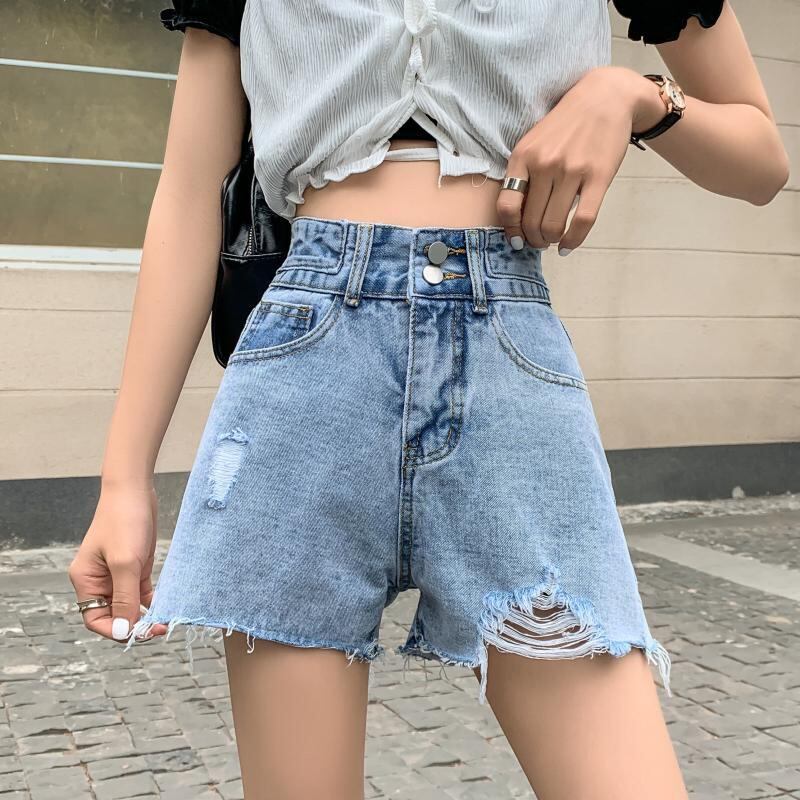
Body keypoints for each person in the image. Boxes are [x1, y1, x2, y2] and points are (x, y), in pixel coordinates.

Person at [68, 1, 790, 797]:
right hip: (307, 375)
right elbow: (190, 191)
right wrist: (124, 480)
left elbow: (761, 160)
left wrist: (633, 96)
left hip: (506, 361)